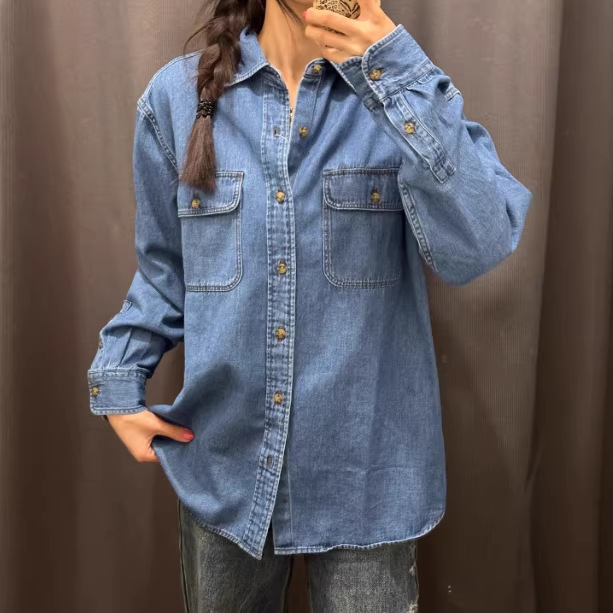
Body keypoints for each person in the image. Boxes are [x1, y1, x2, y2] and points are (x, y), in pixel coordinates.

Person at [87, 0, 533, 610]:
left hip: (369, 480)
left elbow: (480, 244)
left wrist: (393, 70)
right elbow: (166, 272)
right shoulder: (176, 98)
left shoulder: (402, 96)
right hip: (225, 470)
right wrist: (119, 381)